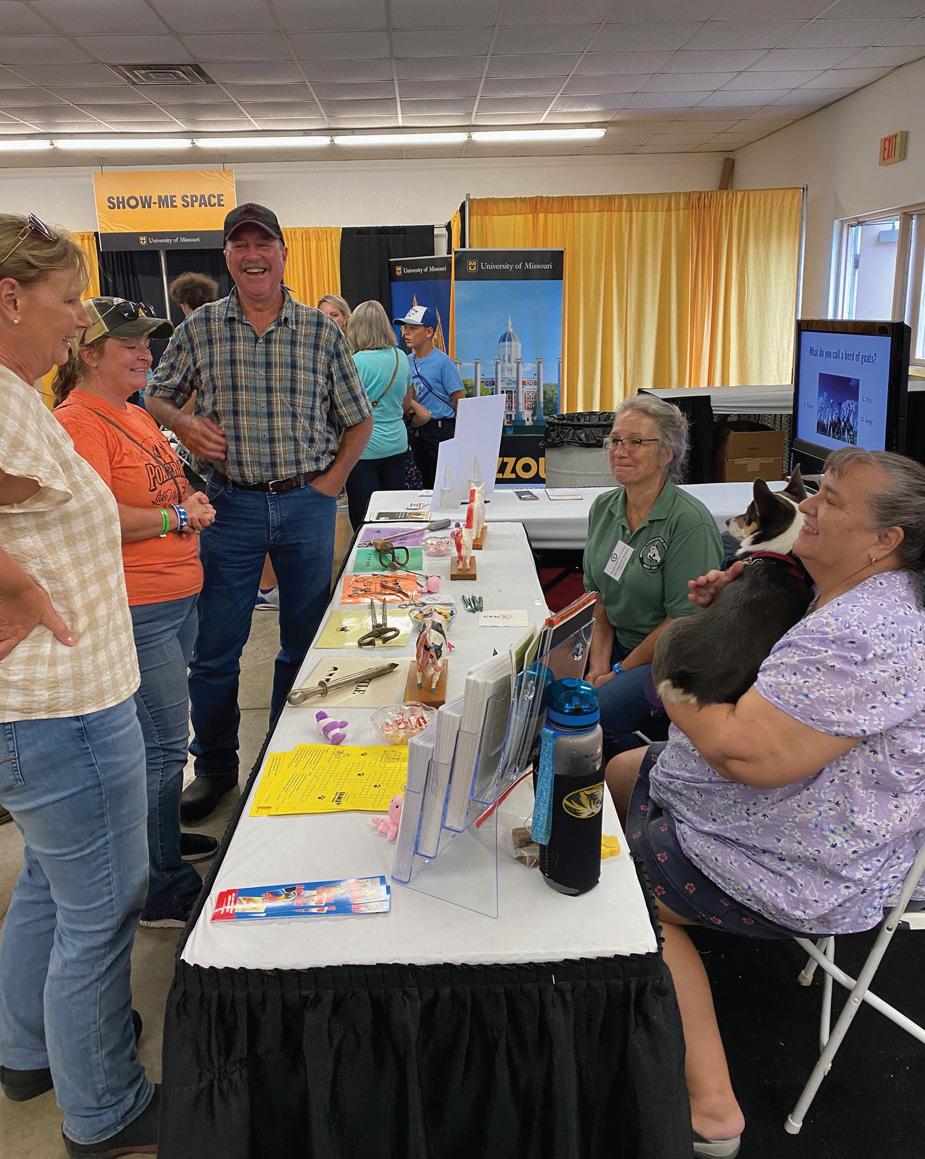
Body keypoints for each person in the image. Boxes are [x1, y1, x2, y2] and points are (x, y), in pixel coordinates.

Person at [605, 447, 925, 1158]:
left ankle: (713, 1111)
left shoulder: (866, 634)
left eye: (829, 499)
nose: (806, 505)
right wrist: (733, 609)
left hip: (798, 859)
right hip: (795, 816)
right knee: (623, 769)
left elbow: (744, 754)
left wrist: (676, 657)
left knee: (615, 896)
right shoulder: (855, 591)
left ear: (885, 539)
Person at [0, 214, 158, 1153]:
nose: (80, 321)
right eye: (68, 301)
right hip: (64, 707)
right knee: (101, 909)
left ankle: (28, 1047)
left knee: (53, 887)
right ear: (11, 298)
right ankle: (104, 1109)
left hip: (50, 704)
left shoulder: (19, 393)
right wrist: (13, 581)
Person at [146, 202, 373, 823]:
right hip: (231, 505)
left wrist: (329, 486)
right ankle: (215, 768)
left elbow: (359, 420)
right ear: (226, 256)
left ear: (282, 253)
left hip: (306, 504)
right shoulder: (200, 329)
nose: (253, 255)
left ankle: (282, 757)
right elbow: (156, 396)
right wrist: (185, 423)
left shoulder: (321, 331)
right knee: (216, 651)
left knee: (303, 644)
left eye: (263, 243)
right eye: (240, 245)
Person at [52, 296, 219, 928]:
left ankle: (162, 845)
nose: (146, 354)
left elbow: (170, 483)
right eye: (130, 344)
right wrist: (177, 516)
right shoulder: (79, 423)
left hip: (174, 600)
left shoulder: (135, 413)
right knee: (163, 747)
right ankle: (159, 888)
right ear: (89, 353)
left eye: (147, 342)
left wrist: (191, 502)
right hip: (139, 607)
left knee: (165, 743)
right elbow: (97, 518)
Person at [583, 395, 723, 759]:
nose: (620, 451)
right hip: (617, 646)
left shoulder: (689, 522)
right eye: (615, 440)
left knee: (596, 714)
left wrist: (617, 672)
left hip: (669, 659)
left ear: (667, 453)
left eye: (636, 442)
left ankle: (662, 771)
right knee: (542, 684)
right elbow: (599, 599)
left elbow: (681, 621)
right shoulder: (604, 508)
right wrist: (597, 666)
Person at [344, 300, 414, 529]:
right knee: (395, 514)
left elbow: (345, 410)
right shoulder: (401, 357)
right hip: (397, 444)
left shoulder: (355, 362)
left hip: (363, 449)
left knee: (365, 517)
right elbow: (406, 404)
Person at [394, 304, 463, 488]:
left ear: (429, 332)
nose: (406, 333)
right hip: (416, 431)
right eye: (405, 328)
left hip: (441, 430)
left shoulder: (444, 363)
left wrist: (462, 435)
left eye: (412, 328)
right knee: (419, 485)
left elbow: (459, 400)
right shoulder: (404, 361)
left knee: (441, 485)